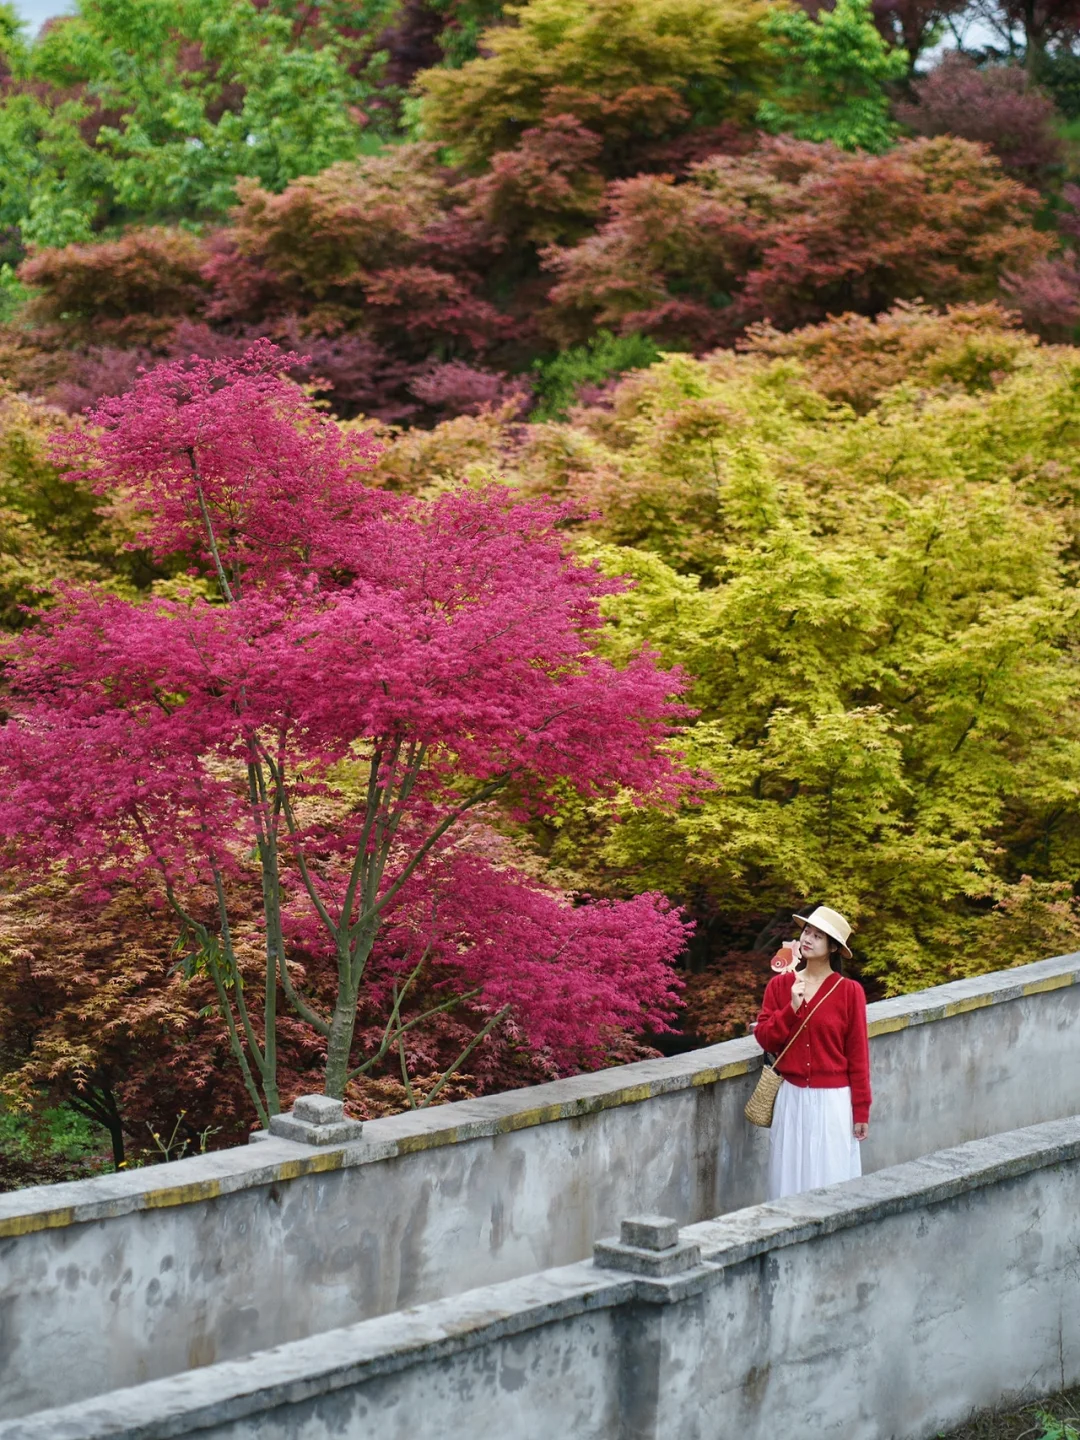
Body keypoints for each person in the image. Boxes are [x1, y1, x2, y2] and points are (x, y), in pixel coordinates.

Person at [753, 905, 871, 1201]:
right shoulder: (780, 986)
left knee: (831, 1179)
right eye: (807, 931)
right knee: (788, 1179)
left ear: (833, 947)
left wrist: (861, 1110)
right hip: (791, 1098)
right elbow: (766, 1039)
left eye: (818, 936)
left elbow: (858, 1054)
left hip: (834, 1101)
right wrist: (791, 1009)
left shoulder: (849, 992)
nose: (808, 939)